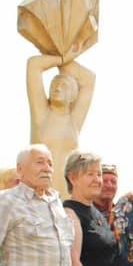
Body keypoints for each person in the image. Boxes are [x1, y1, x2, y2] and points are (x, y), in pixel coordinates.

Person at [27, 54, 95, 198]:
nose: (57, 88)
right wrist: (62, 55)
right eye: (54, 84)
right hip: (40, 192)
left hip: (67, 193)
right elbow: (34, 65)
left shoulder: (74, 120)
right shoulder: (42, 114)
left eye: (64, 85)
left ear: (73, 95)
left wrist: (66, 52)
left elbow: (89, 79)